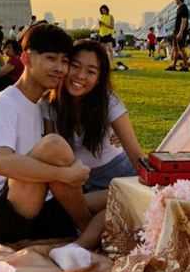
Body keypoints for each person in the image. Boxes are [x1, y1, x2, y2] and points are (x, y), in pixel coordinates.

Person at [0, 24, 106, 272]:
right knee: (53, 145)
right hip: (2, 217)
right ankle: (84, 229)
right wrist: (65, 175)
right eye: (51, 59)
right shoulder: (2, 105)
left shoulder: (40, 106)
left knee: (116, 198)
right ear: (26, 58)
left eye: (64, 61)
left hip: (36, 203)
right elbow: (3, 163)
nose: (60, 69)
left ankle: (80, 235)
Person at [44, 39, 145, 191]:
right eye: (75, 66)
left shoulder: (109, 102)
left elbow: (137, 156)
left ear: (98, 79)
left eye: (91, 71)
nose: (80, 76)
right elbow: (50, 156)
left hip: (119, 177)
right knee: (75, 207)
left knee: (85, 207)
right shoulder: (49, 104)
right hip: (77, 182)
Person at [169, 0, 190, 71]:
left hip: (180, 32)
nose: (175, 0)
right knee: (175, 49)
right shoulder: (179, 8)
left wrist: (180, 32)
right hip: (176, 31)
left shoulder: (184, 8)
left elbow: (184, 21)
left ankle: (186, 66)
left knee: (181, 48)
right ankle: (173, 65)